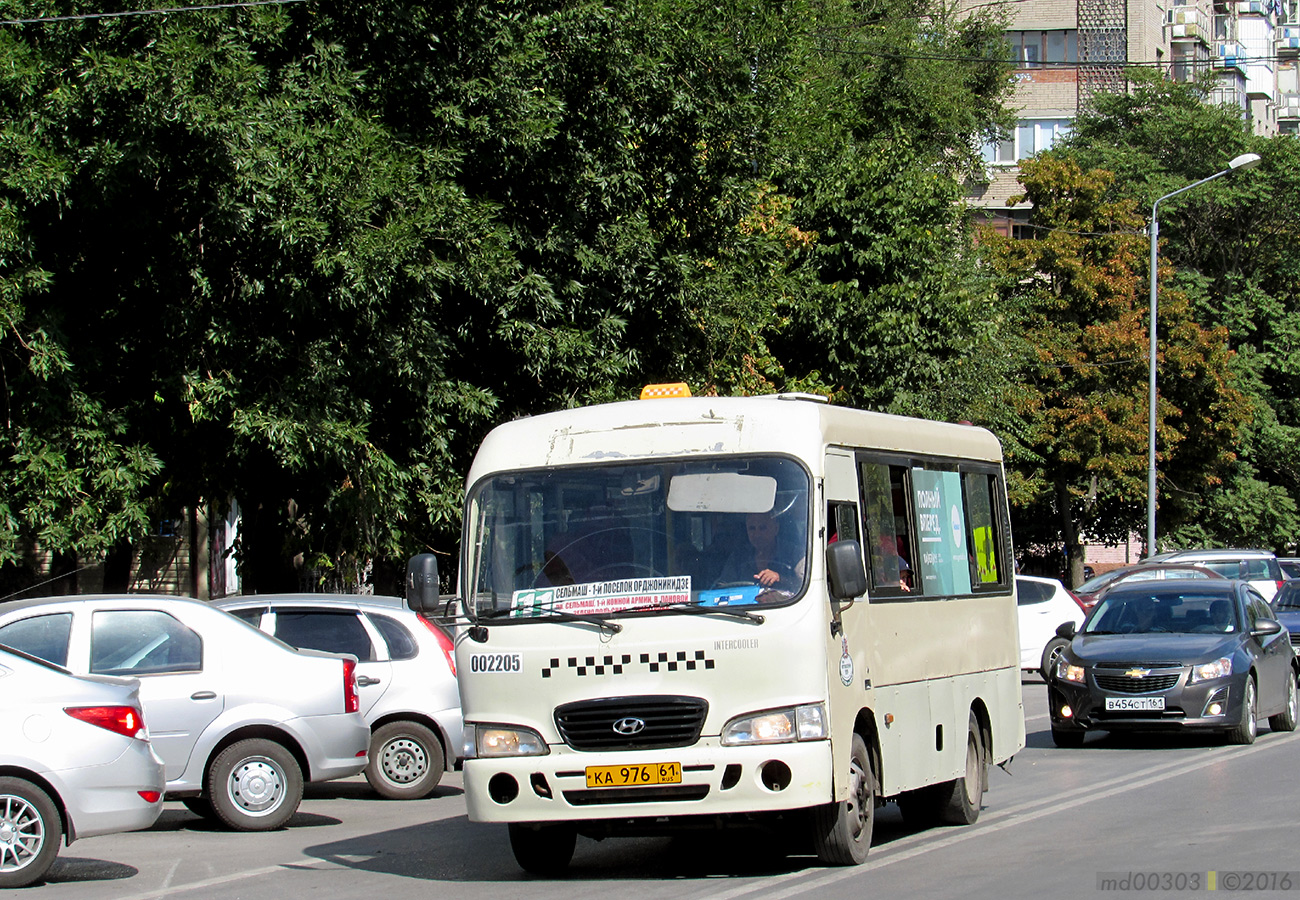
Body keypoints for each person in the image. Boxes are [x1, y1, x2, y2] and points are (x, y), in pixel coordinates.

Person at [715, 512, 804, 590]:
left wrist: (781, 579)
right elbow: (723, 586)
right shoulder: (738, 557)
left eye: (763, 528)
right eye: (752, 528)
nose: (757, 534)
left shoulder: (795, 554)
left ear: (776, 528)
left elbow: (809, 585)